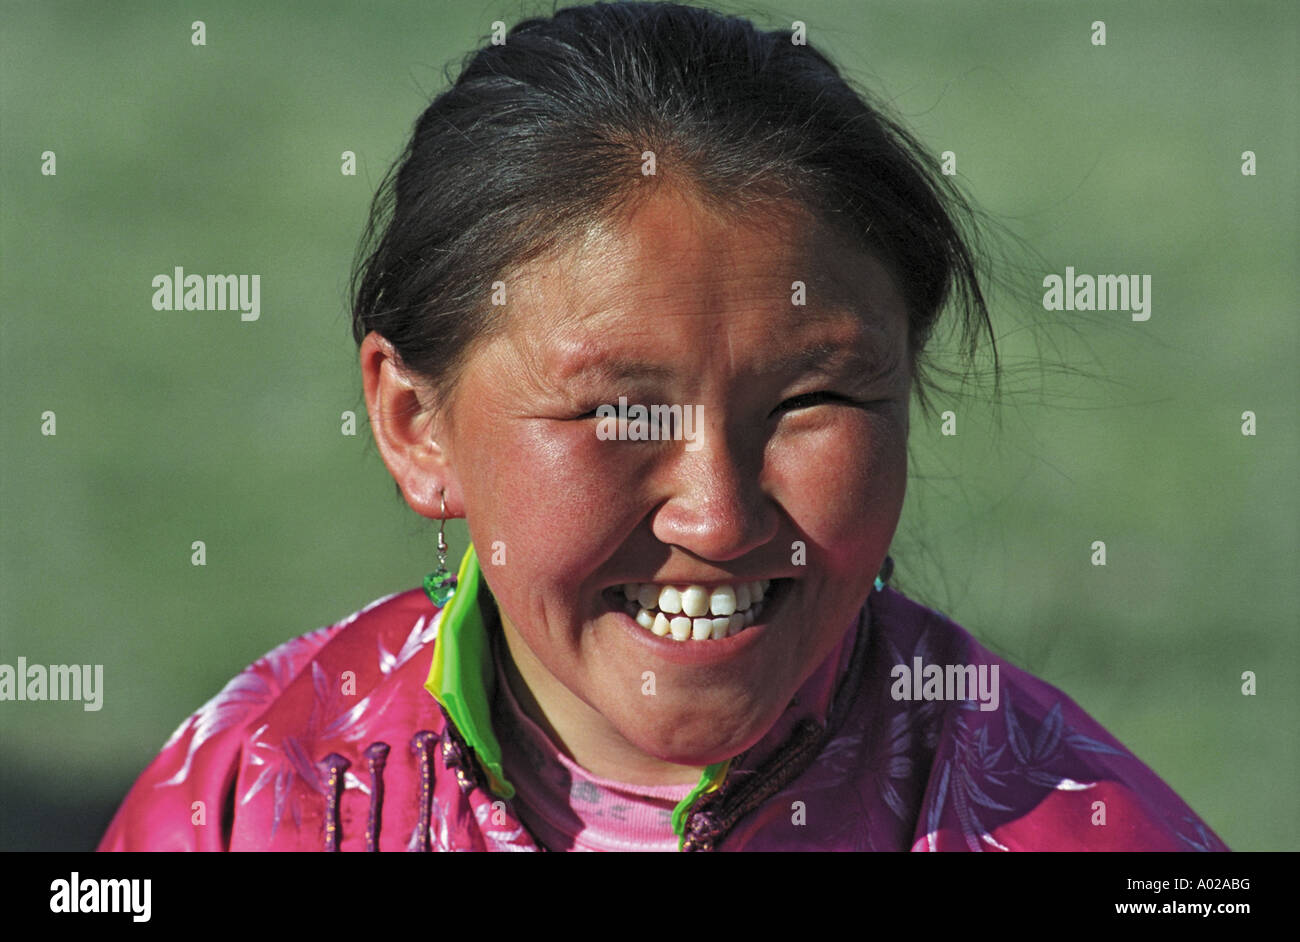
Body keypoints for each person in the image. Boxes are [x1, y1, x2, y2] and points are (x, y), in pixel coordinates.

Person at [97, 0, 1227, 852]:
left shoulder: (1075, 827)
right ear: (414, 425)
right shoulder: (256, 800)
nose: (719, 513)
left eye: (812, 402)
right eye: (617, 412)